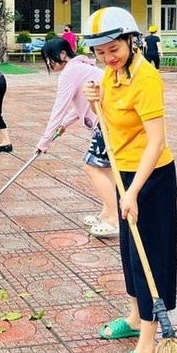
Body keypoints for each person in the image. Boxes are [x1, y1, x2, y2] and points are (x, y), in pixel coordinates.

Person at [81, 6, 177, 353]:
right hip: (124, 172)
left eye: (114, 49)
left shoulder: (146, 77)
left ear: (131, 41)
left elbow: (155, 140)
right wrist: (97, 101)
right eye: (100, 52)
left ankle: (149, 347)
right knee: (129, 252)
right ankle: (135, 319)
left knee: (150, 258)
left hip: (151, 177)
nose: (108, 58)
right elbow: (111, 121)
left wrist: (135, 190)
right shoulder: (110, 75)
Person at [37, 38, 118, 237]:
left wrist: (44, 141)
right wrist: (63, 125)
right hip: (110, 120)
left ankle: (116, 220)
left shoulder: (70, 72)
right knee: (104, 168)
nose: (49, 64)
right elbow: (77, 106)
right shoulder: (80, 68)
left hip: (107, 121)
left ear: (63, 54)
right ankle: (107, 213)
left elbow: (60, 106)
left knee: (92, 167)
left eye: (50, 59)